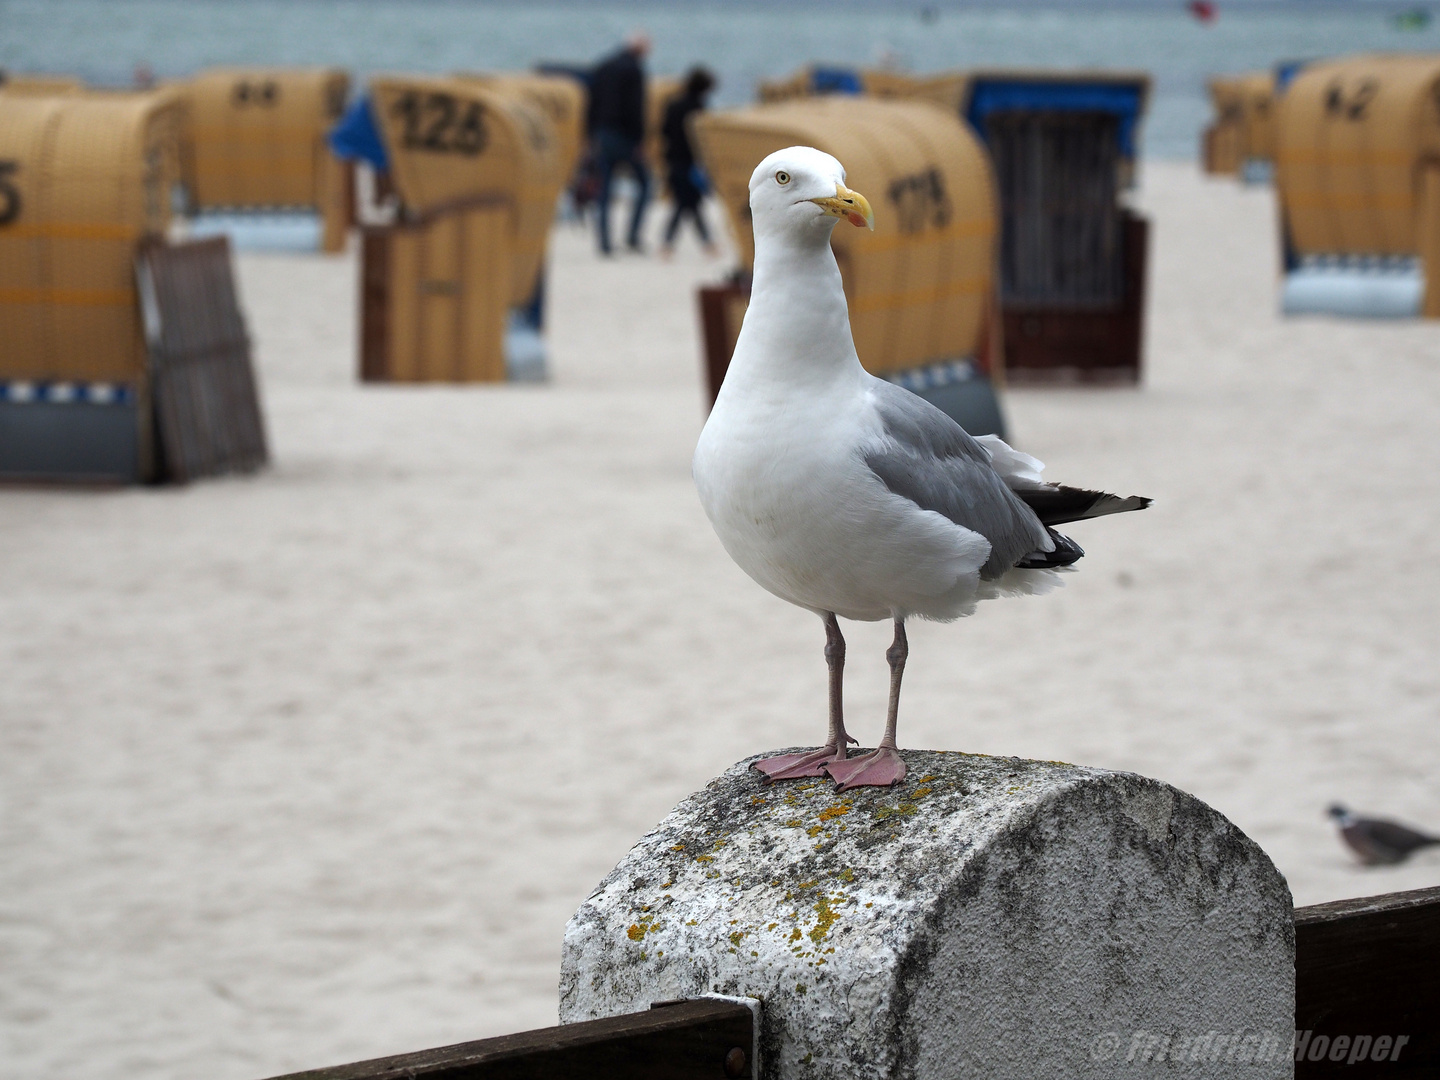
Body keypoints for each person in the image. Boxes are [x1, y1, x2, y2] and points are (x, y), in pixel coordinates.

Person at [587, 33, 651, 255]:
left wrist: (590, 135)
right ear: (641, 49)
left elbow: (591, 103)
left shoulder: (603, 67)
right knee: (644, 184)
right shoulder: (634, 70)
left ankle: (604, 242)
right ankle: (632, 236)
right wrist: (639, 140)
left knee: (604, 190)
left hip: (603, 134)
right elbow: (635, 108)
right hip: (624, 137)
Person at [660, 67, 717, 258]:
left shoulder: (673, 105)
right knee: (688, 204)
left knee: (685, 203)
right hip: (692, 162)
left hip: (674, 159)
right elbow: (703, 139)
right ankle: (705, 244)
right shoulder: (699, 108)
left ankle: (670, 245)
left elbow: (664, 131)